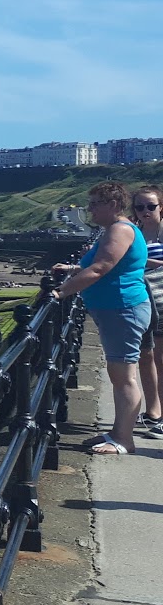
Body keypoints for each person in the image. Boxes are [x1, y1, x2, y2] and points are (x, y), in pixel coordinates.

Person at [53, 180, 149, 455]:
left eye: (95, 204)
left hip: (123, 309)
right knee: (118, 374)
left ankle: (124, 441)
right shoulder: (115, 229)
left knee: (125, 377)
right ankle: (118, 432)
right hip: (116, 309)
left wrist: (59, 294)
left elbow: (100, 268)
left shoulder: (120, 229)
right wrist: (73, 270)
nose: (90, 210)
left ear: (113, 204)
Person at [132, 185, 163, 441]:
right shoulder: (136, 233)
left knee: (160, 359)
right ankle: (154, 412)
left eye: (150, 206)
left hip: (162, 297)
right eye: (139, 207)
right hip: (144, 299)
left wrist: (142, 261)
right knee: (146, 356)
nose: (145, 211)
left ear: (160, 206)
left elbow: (133, 261)